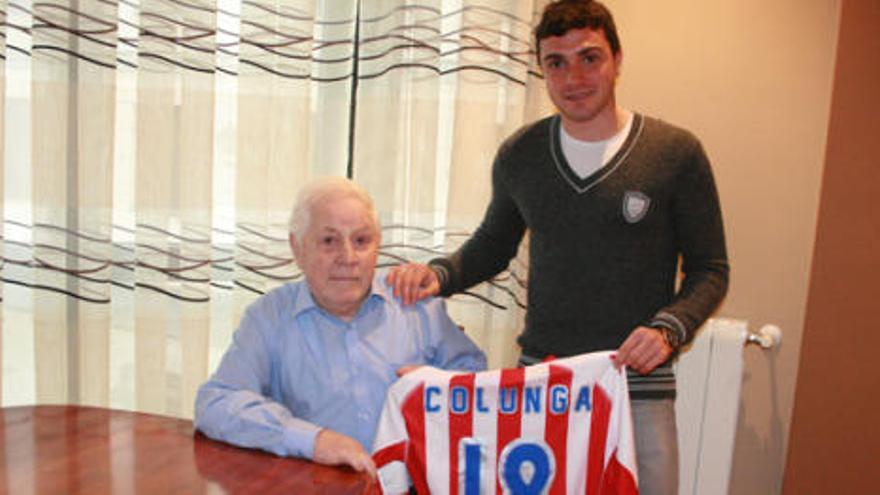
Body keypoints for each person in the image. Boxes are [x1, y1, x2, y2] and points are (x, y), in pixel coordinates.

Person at [387, 1, 729, 493]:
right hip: (544, 387)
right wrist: (439, 274)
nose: (574, 77)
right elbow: (492, 246)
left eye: (589, 58)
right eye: (556, 63)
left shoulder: (675, 153)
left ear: (617, 59)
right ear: (541, 70)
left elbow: (710, 269)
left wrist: (668, 330)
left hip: (636, 388)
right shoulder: (520, 155)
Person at [195, 177, 487, 477]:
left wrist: (440, 383)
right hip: (320, 485)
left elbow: (480, 383)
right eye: (329, 241)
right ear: (298, 248)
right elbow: (216, 402)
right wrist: (312, 440)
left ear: (377, 247)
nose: (347, 258)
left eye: (361, 241)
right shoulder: (269, 317)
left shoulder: (416, 305)